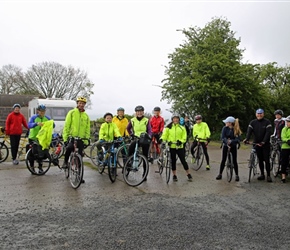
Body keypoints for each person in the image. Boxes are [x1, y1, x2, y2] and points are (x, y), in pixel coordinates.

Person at [62, 97, 91, 177]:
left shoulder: (86, 116)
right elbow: (67, 126)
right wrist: (65, 138)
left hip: (81, 139)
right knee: (69, 148)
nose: (81, 105)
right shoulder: (71, 113)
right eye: (80, 103)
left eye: (83, 103)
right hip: (72, 137)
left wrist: (86, 140)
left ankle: (79, 175)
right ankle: (65, 162)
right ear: (77, 103)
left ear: (84, 105)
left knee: (80, 157)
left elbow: (87, 129)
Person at [160, 114, 192, 182]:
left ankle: (188, 173)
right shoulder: (168, 127)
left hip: (179, 146)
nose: (176, 120)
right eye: (174, 118)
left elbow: (184, 137)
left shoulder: (182, 127)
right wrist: (162, 139)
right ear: (172, 119)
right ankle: (174, 175)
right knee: (173, 161)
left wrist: (181, 141)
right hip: (171, 146)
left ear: (179, 119)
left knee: (183, 161)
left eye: (177, 118)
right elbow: (165, 135)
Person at [243, 108, 273, 182]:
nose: (259, 115)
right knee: (260, 160)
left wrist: (263, 142)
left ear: (263, 114)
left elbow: (268, 133)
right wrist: (246, 139)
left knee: (266, 160)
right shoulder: (253, 122)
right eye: (258, 114)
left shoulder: (267, 122)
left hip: (265, 144)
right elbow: (249, 132)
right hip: (256, 143)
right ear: (256, 114)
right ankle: (262, 174)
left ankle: (268, 175)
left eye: (261, 113)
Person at [126, 105, 152, 180]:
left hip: (144, 138)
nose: (139, 113)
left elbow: (150, 130)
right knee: (130, 150)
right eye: (138, 111)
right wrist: (131, 134)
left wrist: (149, 135)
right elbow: (128, 128)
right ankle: (128, 165)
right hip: (136, 138)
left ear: (143, 112)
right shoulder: (133, 120)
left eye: (141, 111)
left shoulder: (146, 120)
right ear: (136, 112)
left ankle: (145, 174)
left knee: (145, 156)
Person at [28, 104, 53, 173]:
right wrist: (36, 124)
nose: (42, 113)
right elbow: (29, 125)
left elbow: (52, 125)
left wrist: (51, 124)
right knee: (32, 153)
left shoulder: (47, 118)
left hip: (42, 139)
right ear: (38, 111)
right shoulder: (34, 117)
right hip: (33, 137)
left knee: (41, 153)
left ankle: (40, 167)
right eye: (41, 111)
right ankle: (32, 166)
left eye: (43, 111)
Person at [216, 116, 242, 181]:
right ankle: (220, 174)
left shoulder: (236, 129)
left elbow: (238, 139)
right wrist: (226, 141)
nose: (225, 123)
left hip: (233, 146)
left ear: (230, 123)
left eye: (226, 122)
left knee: (234, 161)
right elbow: (222, 137)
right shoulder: (224, 128)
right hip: (226, 146)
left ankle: (236, 175)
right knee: (223, 160)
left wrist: (232, 142)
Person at [280, 115, 290, 183]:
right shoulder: (284, 129)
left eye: (289, 122)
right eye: (287, 122)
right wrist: (287, 140)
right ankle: (283, 175)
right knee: (284, 161)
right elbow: (283, 137)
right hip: (285, 146)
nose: (287, 123)